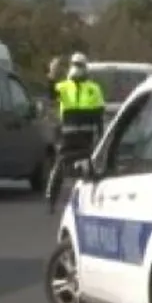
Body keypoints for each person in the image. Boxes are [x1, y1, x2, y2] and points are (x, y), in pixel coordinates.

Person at [45, 52, 106, 212]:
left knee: (93, 170)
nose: (77, 68)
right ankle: (51, 201)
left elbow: (99, 114)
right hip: (68, 137)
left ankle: (95, 203)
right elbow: (51, 94)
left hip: (86, 138)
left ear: (86, 67)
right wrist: (52, 72)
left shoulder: (94, 88)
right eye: (75, 64)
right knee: (59, 168)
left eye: (80, 65)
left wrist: (101, 137)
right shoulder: (63, 86)